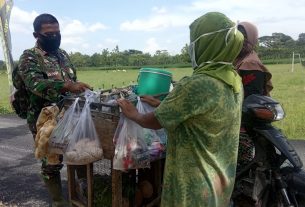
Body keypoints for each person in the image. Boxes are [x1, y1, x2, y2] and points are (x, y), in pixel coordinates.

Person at [118, 12, 244, 207]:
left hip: (194, 185)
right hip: (219, 180)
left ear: (207, 44)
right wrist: (161, 104)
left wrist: (133, 114)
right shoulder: (233, 80)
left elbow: (155, 121)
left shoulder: (196, 84)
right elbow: (200, 116)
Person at [18, 13, 91, 206]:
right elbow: (35, 84)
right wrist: (66, 86)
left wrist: (77, 88)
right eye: (49, 34)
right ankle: (58, 201)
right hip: (45, 119)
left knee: (79, 153)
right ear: (37, 35)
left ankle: (85, 195)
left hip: (69, 114)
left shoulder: (62, 54)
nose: (55, 37)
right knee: (52, 162)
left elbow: (72, 78)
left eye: (57, 32)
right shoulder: (29, 57)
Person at [234, 21, 273, 97]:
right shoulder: (241, 58)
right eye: (237, 37)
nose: (240, 41)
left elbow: (252, 99)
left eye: (244, 37)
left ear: (252, 38)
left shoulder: (250, 63)